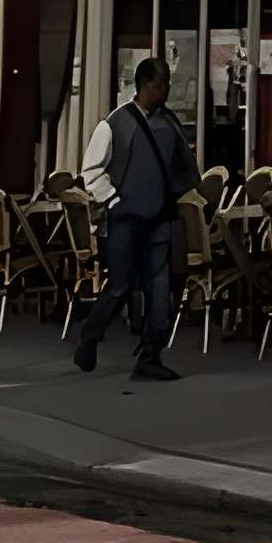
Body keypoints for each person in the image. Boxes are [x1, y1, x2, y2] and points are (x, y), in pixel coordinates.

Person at [74, 55, 192, 381]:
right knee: (120, 285)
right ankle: (89, 338)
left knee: (160, 288)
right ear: (144, 85)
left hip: (160, 218)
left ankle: (151, 355)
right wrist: (112, 199)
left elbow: (186, 166)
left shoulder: (170, 124)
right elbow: (91, 170)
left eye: (167, 84)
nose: (165, 91)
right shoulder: (115, 123)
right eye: (160, 84)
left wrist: (174, 194)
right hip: (125, 219)